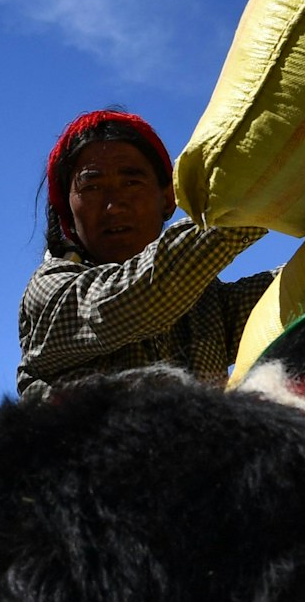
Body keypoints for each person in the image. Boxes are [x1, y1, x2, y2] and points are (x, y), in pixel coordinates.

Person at [17, 109, 274, 395]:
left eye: (132, 183)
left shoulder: (205, 304)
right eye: (91, 188)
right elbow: (141, 296)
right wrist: (256, 194)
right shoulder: (51, 289)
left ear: (167, 200)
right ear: (68, 213)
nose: (114, 206)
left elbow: (298, 294)